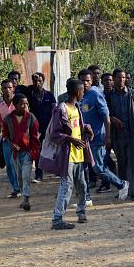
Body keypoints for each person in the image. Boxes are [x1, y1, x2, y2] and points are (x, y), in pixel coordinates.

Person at [44, 79, 94, 230]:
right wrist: (71, 139)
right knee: (66, 187)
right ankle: (57, 219)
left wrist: (86, 128)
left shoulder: (76, 107)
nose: (83, 94)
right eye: (82, 92)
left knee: (82, 185)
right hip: (68, 156)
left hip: (79, 154)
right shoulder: (62, 109)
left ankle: (81, 212)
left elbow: (77, 126)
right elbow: (55, 134)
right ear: (77, 92)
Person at [78, 69, 129, 200]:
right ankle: (86, 197)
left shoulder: (95, 94)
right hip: (84, 138)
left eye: (87, 81)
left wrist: (107, 136)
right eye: (82, 81)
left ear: (92, 81)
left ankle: (122, 184)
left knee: (98, 168)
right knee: (83, 168)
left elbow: (106, 116)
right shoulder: (80, 95)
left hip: (97, 138)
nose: (85, 83)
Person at [1, 93, 40, 211]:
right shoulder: (8, 119)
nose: (25, 106)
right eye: (22, 104)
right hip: (16, 154)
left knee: (26, 175)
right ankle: (24, 196)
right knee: (20, 178)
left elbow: (35, 136)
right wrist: (11, 144)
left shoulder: (31, 117)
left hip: (28, 152)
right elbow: (5, 135)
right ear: (15, 105)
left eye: (26, 103)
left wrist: (34, 152)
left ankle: (26, 198)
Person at [108, 69, 134, 200]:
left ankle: (133, 191)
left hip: (133, 133)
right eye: (118, 77)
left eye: (123, 77)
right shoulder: (109, 96)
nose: (121, 80)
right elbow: (105, 114)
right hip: (118, 135)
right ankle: (123, 189)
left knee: (133, 164)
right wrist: (112, 118)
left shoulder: (133, 94)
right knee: (122, 164)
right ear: (114, 78)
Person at [28, 72, 56, 182]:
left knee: (51, 149)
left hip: (48, 126)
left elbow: (54, 111)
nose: (37, 83)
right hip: (35, 128)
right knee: (37, 150)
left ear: (43, 82)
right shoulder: (29, 95)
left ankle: (54, 169)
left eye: (39, 81)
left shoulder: (49, 95)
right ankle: (38, 174)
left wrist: (54, 126)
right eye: (35, 81)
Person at [0, 79, 19, 196]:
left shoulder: (20, 103)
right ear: (1, 90)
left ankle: (23, 187)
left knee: (20, 163)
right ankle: (15, 187)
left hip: (20, 139)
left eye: (9, 88)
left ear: (13, 88)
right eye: (5, 88)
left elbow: (27, 118)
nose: (7, 90)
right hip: (7, 140)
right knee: (9, 164)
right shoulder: (0, 107)